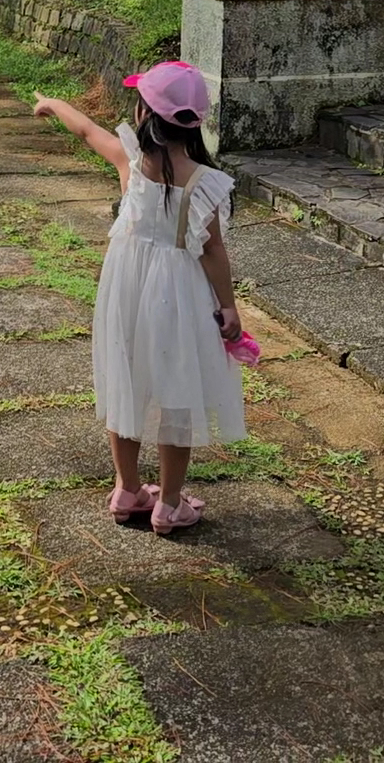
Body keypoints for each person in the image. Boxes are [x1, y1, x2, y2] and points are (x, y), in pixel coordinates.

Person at [33, 60, 245, 536]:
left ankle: (127, 488)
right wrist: (228, 306)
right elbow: (213, 251)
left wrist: (53, 103)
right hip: (179, 296)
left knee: (126, 382)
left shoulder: (130, 162)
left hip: (125, 289)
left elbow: (85, 130)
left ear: (144, 113)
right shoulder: (203, 183)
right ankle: (169, 505)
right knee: (177, 392)